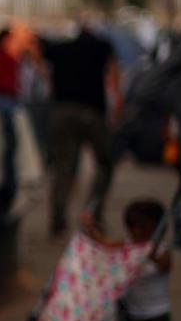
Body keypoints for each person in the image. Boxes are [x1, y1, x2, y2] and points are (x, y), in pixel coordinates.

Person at [40, 22, 122, 237]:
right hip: (92, 112)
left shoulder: (60, 48)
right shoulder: (102, 46)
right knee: (106, 163)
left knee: (64, 167)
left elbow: (38, 56)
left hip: (62, 111)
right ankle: (93, 213)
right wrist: (117, 104)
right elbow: (113, 74)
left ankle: (58, 220)